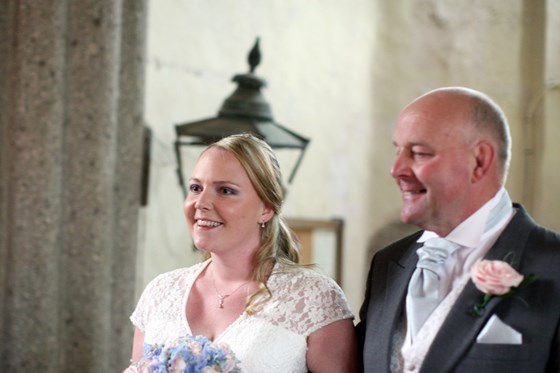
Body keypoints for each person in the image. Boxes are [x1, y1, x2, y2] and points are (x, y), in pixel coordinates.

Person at [357, 87, 560, 372]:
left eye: (419, 153)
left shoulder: (553, 265)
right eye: (397, 151)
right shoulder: (388, 263)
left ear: (479, 161)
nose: (396, 169)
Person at [128, 133, 358, 373]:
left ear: (267, 209)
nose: (201, 202)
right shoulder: (160, 294)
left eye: (226, 191)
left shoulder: (314, 298)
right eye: (196, 188)